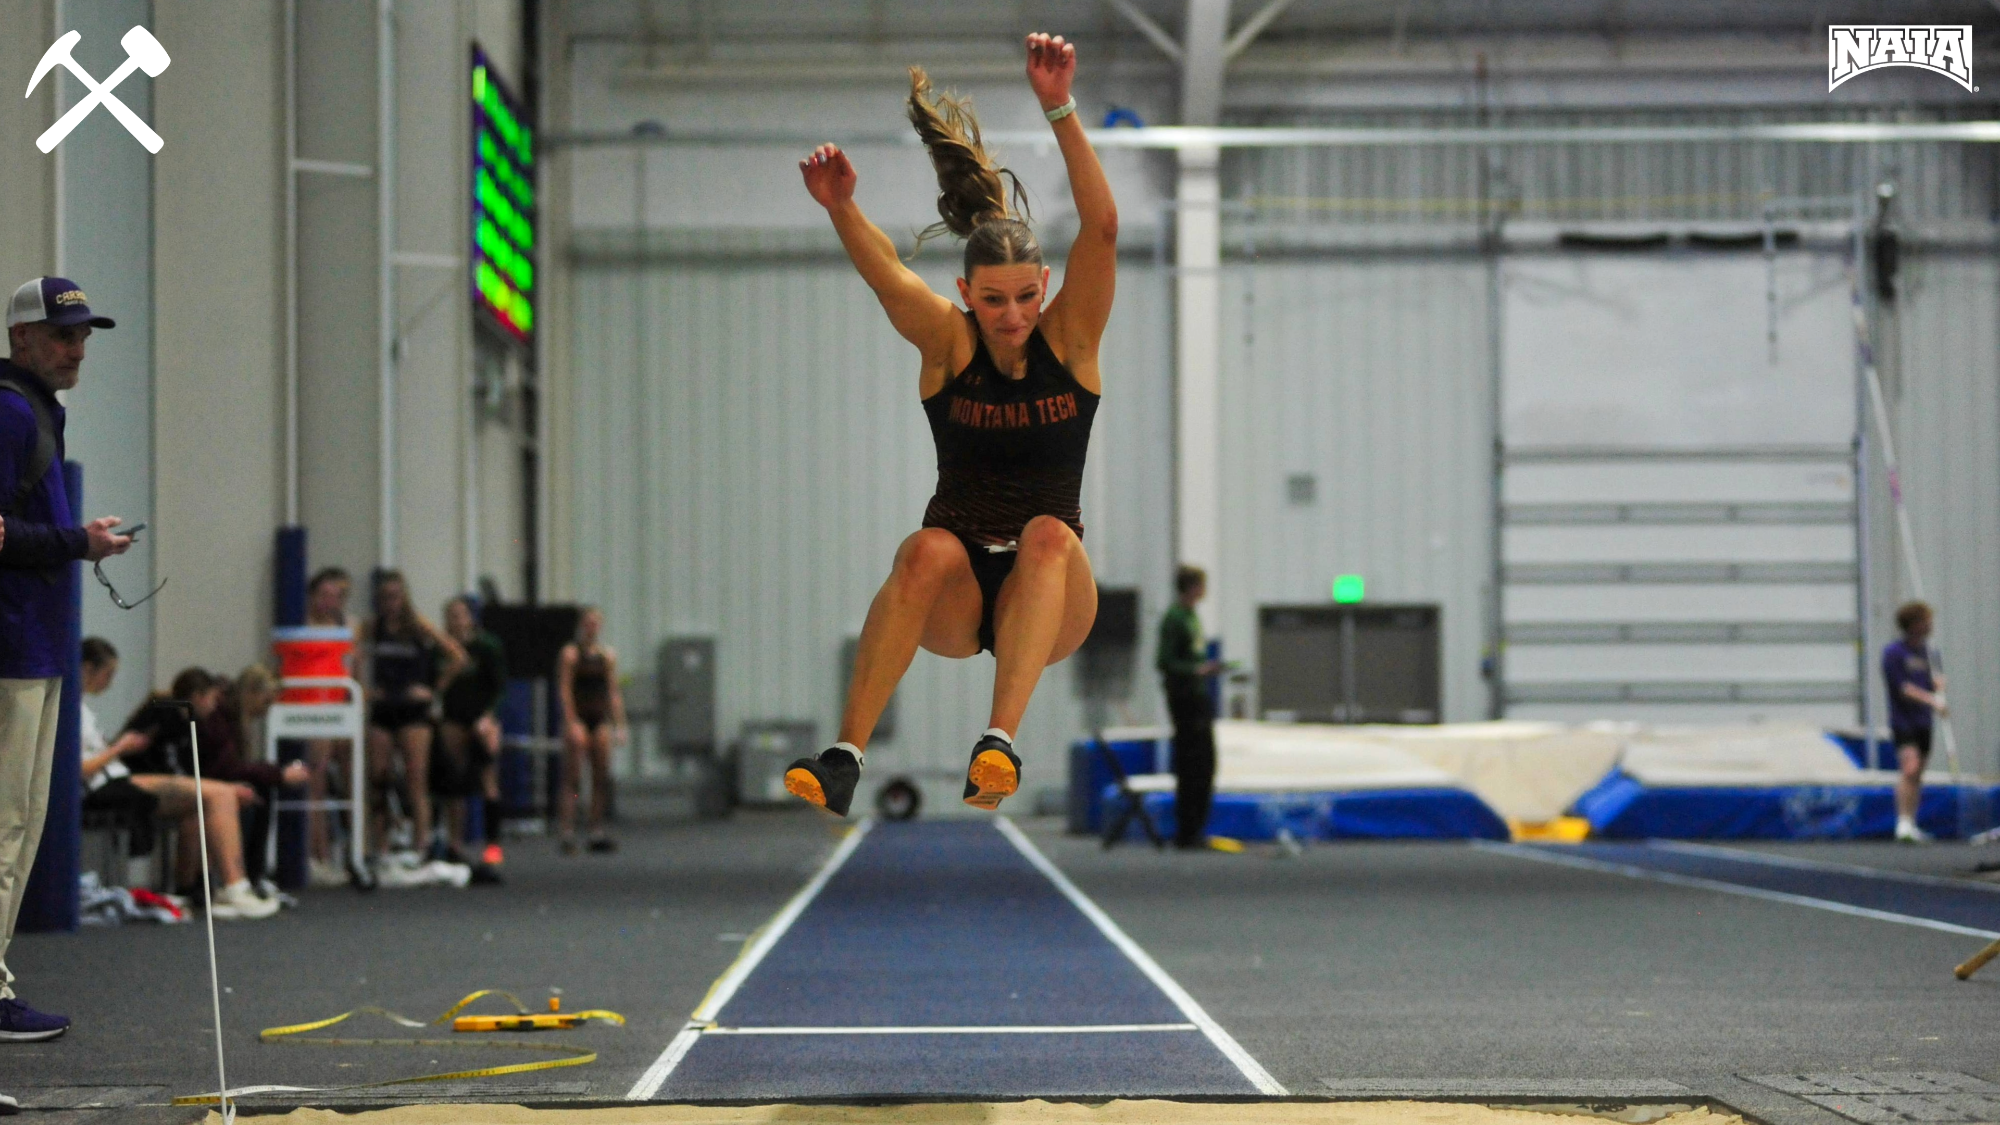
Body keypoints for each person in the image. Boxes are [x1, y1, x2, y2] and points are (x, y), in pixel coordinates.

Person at [783, 33, 1116, 817]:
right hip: (960, 595)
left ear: (1043, 287)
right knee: (923, 546)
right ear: (967, 295)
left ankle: (997, 745)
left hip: (1051, 591)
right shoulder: (948, 343)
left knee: (1046, 534)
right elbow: (887, 276)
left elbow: (1100, 229)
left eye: (1024, 297)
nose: (1011, 317)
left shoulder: (1069, 343)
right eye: (992, 301)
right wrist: (842, 208)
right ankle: (844, 756)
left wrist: (1059, 107)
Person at [0, 277, 132, 1047]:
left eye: (83, 334)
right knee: (8, 823)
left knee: (21, 823)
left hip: (36, 645)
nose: (76, 347)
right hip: (13, 646)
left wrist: (81, 539)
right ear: (22, 337)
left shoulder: (35, 410)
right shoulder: (11, 412)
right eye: (61, 334)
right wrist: (76, 543)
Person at [81, 651, 277, 921]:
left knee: (204, 806)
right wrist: (120, 747)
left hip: (124, 776)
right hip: (115, 781)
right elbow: (93, 763)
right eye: (211, 699)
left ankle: (192, 889)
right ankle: (236, 886)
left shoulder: (87, 712)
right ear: (197, 696)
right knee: (221, 794)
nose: (215, 706)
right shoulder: (161, 715)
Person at [360, 571, 465, 861]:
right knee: (378, 779)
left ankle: (422, 845)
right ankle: (379, 845)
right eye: (385, 598)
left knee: (415, 779)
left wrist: (433, 689)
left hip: (413, 711)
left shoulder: (419, 626)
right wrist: (364, 691)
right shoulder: (373, 627)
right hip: (383, 707)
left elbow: (457, 657)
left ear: (404, 597)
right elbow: (354, 655)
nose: (390, 603)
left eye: (395, 597)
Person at [204, 665, 311, 899]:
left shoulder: (232, 719)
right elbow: (228, 769)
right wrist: (279, 774)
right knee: (251, 792)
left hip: (217, 780)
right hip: (210, 783)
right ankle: (240, 877)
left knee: (259, 789)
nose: (267, 711)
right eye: (266, 702)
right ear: (251, 693)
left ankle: (253, 876)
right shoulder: (220, 718)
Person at [293, 566, 360, 886]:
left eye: (336, 596)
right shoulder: (300, 625)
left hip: (341, 708)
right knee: (315, 780)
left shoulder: (349, 625)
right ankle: (315, 853)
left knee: (353, 777)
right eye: (323, 595)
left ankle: (351, 851)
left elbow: (353, 670)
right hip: (312, 708)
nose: (329, 601)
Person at [436, 595, 507, 875]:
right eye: (451, 615)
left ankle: (492, 846)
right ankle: (455, 842)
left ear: (471, 617)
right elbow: (436, 683)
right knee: (455, 780)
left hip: (481, 718)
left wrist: (489, 716)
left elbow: (500, 686)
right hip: (454, 717)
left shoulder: (487, 647)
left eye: (461, 615)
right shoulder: (441, 648)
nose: (456, 621)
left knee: (488, 779)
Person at [1157, 565, 1223, 849]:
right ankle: (1186, 831)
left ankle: (1197, 827)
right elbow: (1164, 661)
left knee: (1206, 763)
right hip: (1184, 698)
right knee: (1191, 763)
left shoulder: (1192, 616)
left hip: (1198, 696)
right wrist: (1196, 671)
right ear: (1192, 587)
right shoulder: (1175, 618)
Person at [556, 607, 624, 854]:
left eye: (596, 623)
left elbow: (613, 692)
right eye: (588, 623)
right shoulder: (571, 654)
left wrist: (619, 724)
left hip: (599, 718)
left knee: (600, 775)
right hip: (580, 718)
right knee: (573, 778)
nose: (591, 627)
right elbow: (564, 689)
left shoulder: (606, 656)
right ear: (581, 625)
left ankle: (595, 828)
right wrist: (571, 720)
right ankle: (568, 830)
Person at [1883, 601, 1947, 844]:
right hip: (1904, 721)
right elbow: (1903, 688)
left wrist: (1939, 687)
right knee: (1909, 767)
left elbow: (1935, 682)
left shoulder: (1930, 653)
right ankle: (1902, 822)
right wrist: (1932, 700)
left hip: (1923, 722)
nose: (1929, 625)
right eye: (1925, 621)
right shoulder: (1894, 653)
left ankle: (1911, 821)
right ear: (1913, 624)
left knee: (1918, 773)